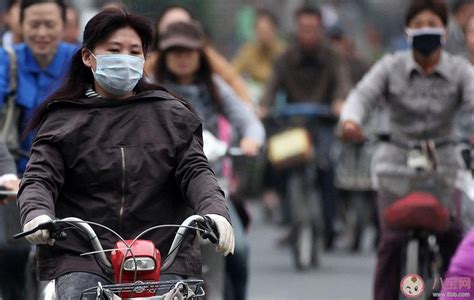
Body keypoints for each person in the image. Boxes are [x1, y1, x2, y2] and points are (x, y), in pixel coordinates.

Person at [17, 8, 234, 299]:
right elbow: (39, 177)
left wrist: (214, 212)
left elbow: (196, 170)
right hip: (83, 256)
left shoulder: (172, 115)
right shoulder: (62, 121)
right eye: (114, 50)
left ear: (145, 59)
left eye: (134, 52)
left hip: (163, 253)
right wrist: (37, 213)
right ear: (87, 57)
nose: (125, 58)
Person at [339, 0, 474, 299]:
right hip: (394, 166)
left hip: (446, 166)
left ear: (445, 29)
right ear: (408, 30)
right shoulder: (389, 66)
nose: (426, 30)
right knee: (390, 242)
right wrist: (350, 121)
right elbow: (361, 97)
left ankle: (455, 293)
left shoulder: (460, 71)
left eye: (432, 24)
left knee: (454, 236)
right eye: (420, 24)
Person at [153, 21, 264, 300]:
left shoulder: (214, 87)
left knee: (241, 249)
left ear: (201, 54)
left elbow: (248, 120)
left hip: (214, 189)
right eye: (175, 51)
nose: (182, 57)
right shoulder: (150, 89)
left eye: (189, 51)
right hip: (162, 191)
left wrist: (251, 139)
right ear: (164, 54)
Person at [260, 5, 351, 249]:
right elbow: (270, 88)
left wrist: (340, 102)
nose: (308, 34)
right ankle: (288, 217)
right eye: (303, 29)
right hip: (293, 124)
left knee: (327, 166)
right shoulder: (284, 58)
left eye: (313, 29)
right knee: (279, 163)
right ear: (296, 30)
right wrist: (264, 107)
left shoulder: (334, 56)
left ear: (321, 30)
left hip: (323, 122)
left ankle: (331, 221)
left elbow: (343, 83)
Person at [0, 0, 77, 174]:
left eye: (50, 25)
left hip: (66, 175)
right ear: (21, 26)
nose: (42, 33)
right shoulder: (6, 60)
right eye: (34, 25)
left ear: (64, 26)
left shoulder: (80, 62)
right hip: (15, 175)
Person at [144, 5, 254, 107]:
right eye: (170, 27)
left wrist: (247, 105)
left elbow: (232, 79)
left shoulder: (210, 63)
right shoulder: (151, 65)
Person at [232, 8, 285, 103]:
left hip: (278, 94)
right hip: (254, 94)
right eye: (259, 30)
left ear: (274, 30)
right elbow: (233, 72)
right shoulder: (249, 50)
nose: (263, 34)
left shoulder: (283, 51)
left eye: (266, 30)